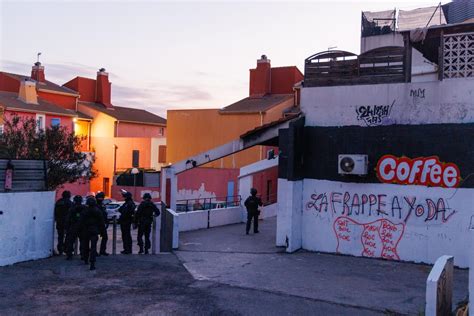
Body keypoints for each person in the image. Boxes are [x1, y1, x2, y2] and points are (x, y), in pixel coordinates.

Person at [80, 196, 106, 270]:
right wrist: (102, 232)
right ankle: (92, 263)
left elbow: (80, 222)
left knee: (86, 246)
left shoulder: (84, 211)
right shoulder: (97, 211)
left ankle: (86, 259)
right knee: (93, 247)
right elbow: (101, 223)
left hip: (86, 230)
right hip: (94, 230)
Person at [65, 195, 86, 260]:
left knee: (70, 241)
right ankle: (83, 254)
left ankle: (69, 255)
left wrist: (67, 227)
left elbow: (68, 218)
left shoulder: (72, 208)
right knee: (83, 241)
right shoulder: (84, 208)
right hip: (82, 227)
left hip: (73, 226)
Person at [54, 190, 73, 255]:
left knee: (60, 236)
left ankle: (60, 249)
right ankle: (66, 248)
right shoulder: (70, 203)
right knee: (68, 236)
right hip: (67, 222)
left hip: (59, 222)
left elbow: (55, 212)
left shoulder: (58, 202)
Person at [95, 192, 110, 256]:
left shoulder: (102, 205)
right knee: (95, 238)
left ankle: (102, 251)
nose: (101, 199)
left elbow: (105, 214)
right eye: (100, 197)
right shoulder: (95, 205)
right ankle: (94, 251)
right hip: (96, 223)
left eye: (102, 197)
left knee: (105, 237)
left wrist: (106, 221)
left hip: (102, 223)